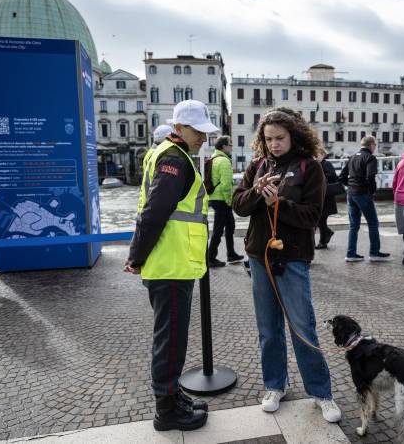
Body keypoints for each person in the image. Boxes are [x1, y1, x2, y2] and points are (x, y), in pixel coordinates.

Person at [232, 108, 342, 423]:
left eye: (279, 138)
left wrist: (278, 203)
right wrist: (256, 193)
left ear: (294, 135)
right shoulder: (257, 165)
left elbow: (312, 216)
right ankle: (275, 385)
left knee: (302, 326)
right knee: (268, 328)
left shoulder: (312, 168)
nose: (274, 145)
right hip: (259, 255)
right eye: (268, 139)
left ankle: (322, 392)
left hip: (292, 257)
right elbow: (238, 205)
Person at [124, 100, 219, 431]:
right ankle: (167, 412)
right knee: (171, 341)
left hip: (171, 262)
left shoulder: (165, 152)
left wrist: (139, 255)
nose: (203, 138)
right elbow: (154, 213)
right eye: (198, 132)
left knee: (172, 338)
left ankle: (173, 397)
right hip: (171, 265)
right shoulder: (174, 160)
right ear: (179, 128)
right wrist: (136, 257)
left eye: (206, 133)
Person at [339, 135, 391, 262]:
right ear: (372, 145)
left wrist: (350, 185)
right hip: (363, 193)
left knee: (353, 225)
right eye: (375, 145)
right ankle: (374, 253)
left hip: (351, 193)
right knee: (373, 223)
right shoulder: (370, 158)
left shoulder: (352, 157)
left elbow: (341, 176)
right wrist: (372, 192)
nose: (375, 147)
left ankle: (350, 254)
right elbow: (370, 177)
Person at [207, 135, 244, 267]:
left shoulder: (213, 158)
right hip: (222, 199)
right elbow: (226, 184)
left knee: (230, 225)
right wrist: (229, 201)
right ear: (223, 146)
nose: (231, 147)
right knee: (218, 229)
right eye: (230, 145)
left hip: (215, 197)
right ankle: (210, 257)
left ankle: (231, 253)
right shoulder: (224, 161)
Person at [315, 149, 340, 250]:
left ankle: (323, 241)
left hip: (326, 197)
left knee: (321, 220)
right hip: (321, 196)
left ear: (322, 155)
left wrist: (321, 177)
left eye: (317, 154)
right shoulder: (319, 164)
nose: (316, 156)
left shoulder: (326, 164)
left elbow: (333, 177)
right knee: (320, 220)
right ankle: (326, 236)